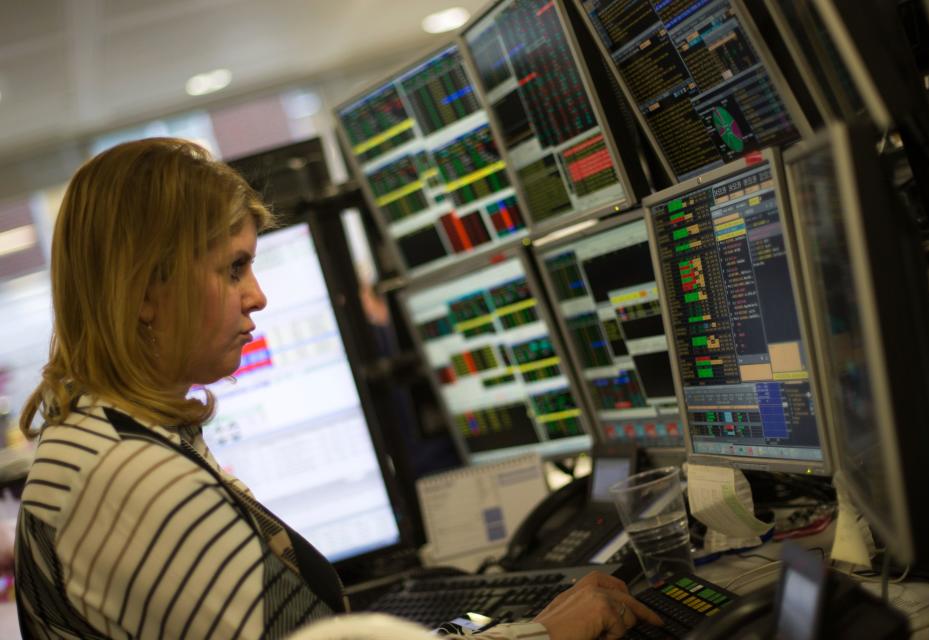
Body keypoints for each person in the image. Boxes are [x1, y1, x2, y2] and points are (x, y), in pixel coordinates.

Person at [13, 138, 661, 639]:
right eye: (233, 267)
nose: (257, 296)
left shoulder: (103, 440)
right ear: (145, 291)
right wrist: (544, 632)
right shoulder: (132, 481)